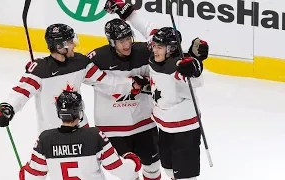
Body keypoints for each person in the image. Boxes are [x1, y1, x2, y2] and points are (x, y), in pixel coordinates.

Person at [104, 1, 208, 180]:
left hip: (184, 130)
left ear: (172, 50)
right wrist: (126, 12)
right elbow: (145, 26)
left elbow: (196, 79)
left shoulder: (178, 68)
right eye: (154, 45)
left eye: (159, 47)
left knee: (185, 177)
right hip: (164, 127)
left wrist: (195, 64)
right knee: (168, 170)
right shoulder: (156, 53)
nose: (153, 49)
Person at [0, 23, 145, 135]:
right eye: (70, 42)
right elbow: (22, 91)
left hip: (81, 128)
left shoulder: (81, 63)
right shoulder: (40, 69)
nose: (74, 45)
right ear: (59, 46)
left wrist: (130, 84)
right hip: (52, 133)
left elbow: (105, 82)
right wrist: (8, 107)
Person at [86, 18, 161, 180]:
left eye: (128, 38)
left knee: (153, 168)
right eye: (120, 41)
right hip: (113, 128)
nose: (126, 45)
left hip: (144, 123)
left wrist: (148, 84)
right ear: (111, 42)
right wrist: (129, 85)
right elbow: (79, 76)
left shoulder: (144, 52)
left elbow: (163, 70)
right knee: (128, 172)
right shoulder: (97, 58)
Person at [19, 90, 142, 180]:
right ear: (79, 112)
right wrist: (132, 161)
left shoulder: (45, 139)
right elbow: (121, 171)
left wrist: (24, 173)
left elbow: (31, 177)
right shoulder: (94, 136)